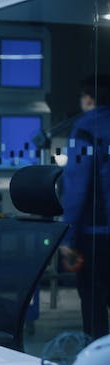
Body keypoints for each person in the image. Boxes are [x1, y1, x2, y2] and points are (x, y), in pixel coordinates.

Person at [59, 74, 110, 340]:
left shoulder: (85, 129)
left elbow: (77, 185)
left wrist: (67, 236)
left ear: (88, 99)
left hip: (96, 234)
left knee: (95, 306)